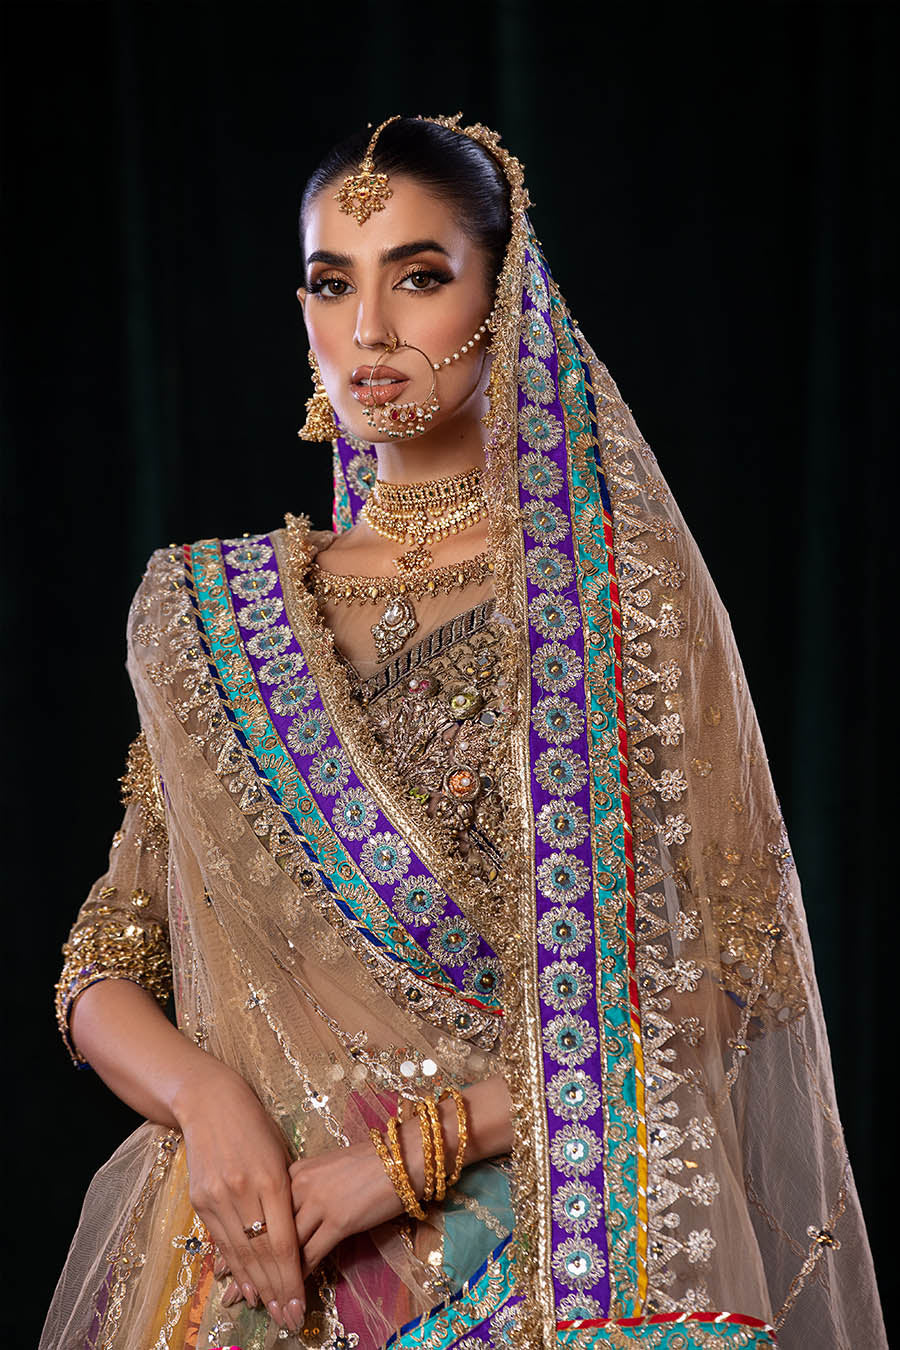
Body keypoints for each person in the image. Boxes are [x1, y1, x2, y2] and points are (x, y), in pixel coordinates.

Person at [42, 114, 886, 1350]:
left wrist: (414, 1155)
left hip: (533, 1241)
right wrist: (207, 1100)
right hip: (248, 1255)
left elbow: (730, 971)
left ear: (507, 303)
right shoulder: (201, 615)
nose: (371, 329)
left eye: (421, 277)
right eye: (334, 283)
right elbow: (108, 955)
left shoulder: (613, 596)